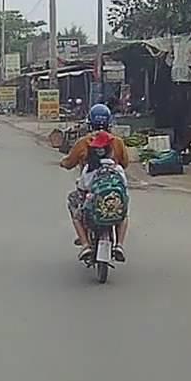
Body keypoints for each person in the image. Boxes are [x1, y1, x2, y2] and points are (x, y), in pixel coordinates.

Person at [60, 104, 129, 262]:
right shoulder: (117, 144)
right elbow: (125, 164)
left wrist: (63, 163)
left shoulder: (84, 149)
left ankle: (85, 244)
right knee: (123, 213)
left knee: (75, 205)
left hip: (90, 195)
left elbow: (70, 165)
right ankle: (119, 244)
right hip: (113, 198)